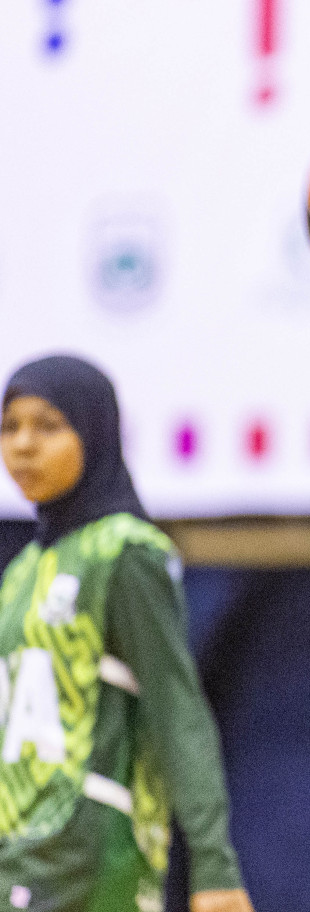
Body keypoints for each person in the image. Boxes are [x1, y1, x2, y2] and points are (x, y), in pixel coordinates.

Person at [0, 356, 252, 912]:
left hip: (92, 856)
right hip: (15, 858)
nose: (22, 445)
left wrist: (214, 865)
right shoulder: (21, 571)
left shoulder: (125, 551)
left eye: (47, 426)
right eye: (10, 426)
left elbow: (177, 707)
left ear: (95, 432)